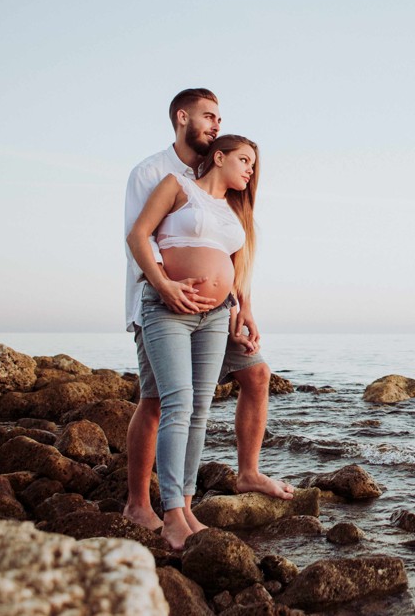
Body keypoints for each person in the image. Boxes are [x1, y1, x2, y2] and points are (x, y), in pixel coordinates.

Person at [123, 89, 292, 538]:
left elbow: (238, 264)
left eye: (220, 118)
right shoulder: (161, 176)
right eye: (210, 116)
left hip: (216, 315)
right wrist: (164, 286)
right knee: (166, 403)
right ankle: (150, 507)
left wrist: (242, 308)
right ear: (184, 118)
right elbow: (138, 237)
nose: (216, 124)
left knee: (203, 404)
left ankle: (191, 504)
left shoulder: (232, 207)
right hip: (165, 304)